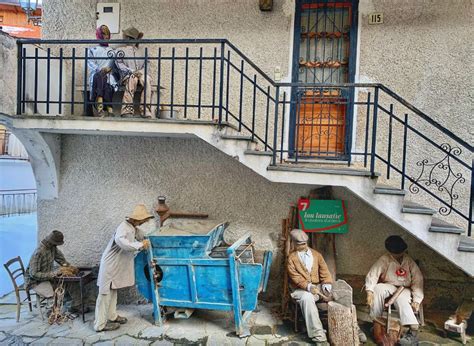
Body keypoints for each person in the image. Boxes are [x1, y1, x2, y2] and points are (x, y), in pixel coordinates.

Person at [93, 204, 152, 332]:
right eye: (142, 220)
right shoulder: (123, 227)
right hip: (110, 264)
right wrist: (140, 245)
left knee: (113, 292)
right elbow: (121, 242)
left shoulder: (133, 227)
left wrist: (147, 239)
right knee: (104, 295)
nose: (143, 222)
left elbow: (143, 236)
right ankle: (100, 325)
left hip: (116, 265)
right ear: (136, 219)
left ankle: (112, 316)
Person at [365, 235, 424, 345]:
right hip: (389, 285)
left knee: (401, 299)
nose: (397, 255)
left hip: (404, 289)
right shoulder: (385, 259)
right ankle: (377, 321)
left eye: (399, 253)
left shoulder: (408, 261)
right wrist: (369, 291)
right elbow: (373, 274)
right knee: (378, 288)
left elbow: (418, 280)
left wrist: (417, 300)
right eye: (394, 253)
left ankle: (413, 330)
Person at [287, 229, 333, 344]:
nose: (302, 246)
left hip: (318, 288)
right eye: (299, 244)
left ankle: (355, 329)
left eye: (304, 244)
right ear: (293, 243)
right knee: (306, 298)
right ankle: (319, 337)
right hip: (299, 290)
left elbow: (325, 272)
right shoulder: (291, 259)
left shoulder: (317, 255)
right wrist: (308, 287)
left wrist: (326, 285)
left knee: (341, 294)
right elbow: (296, 278)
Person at [25, 230, 82, 312]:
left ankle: (77, 305)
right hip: (34, 282)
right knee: (51, 294)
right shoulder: (38, 253)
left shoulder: (52, 247)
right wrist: (53, 274)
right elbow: (33, 274)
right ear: (52, 242)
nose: (57, 245)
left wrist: (69, 267)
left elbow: (61, 260)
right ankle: (51, 312)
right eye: (56, 243)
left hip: (47, 277)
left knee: (71, 281)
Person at [115, 26, 153, 118]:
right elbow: (119, 64)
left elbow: (147, 65)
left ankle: (145, 110)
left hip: (141, 74)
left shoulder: (142, 51)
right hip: (127, 76)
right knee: (133, 79)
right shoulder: (120, 51)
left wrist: (140, 71)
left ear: (127, 38)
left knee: (147, 79)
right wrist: (132, 71)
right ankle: (126, 110)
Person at [87, 25, 117, 117]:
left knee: (106, 82)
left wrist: (108, 69)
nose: (106, 37)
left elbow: (114, 65)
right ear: (99, 35)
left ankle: (100, 107)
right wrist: (100, 69)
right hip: (97, 74)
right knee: (100, 76)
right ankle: (108, 108)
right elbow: (91, 63)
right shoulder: (92, 50)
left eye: (107, 34)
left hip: (109, 75)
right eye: (103, 34)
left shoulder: (112, 51)